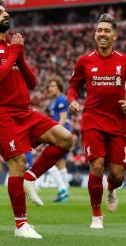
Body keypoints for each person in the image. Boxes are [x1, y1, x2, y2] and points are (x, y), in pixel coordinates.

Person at [0, 0, 73, 239]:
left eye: (6, 11)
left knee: (65, 138)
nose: (5, 14)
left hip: (25, 112)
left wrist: (20, 55)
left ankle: (31, 177)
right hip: (1, 115)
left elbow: (33, 83)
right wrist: (14, 52)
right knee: (16, 162)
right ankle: (21, 225)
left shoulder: (11, 47)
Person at [67, 13, 126, 229]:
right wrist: (72, 100)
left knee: (117, 175)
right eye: (99, 30)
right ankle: (96, 216)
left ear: (114, 36)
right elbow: (73, 86)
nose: (102, 33)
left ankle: (111, 189)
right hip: (92, 120)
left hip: (117, 123)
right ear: (95, 34)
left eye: (106, 30)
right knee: (97, 165)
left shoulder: (125, 61)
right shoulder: (85, 61)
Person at [45, 74, 71, 203]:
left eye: (53, 86)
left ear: (59, 87)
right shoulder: (55, 101)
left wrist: (55, 132)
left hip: (60, 134)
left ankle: (62, 189)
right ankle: (65, 193)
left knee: (48, 162)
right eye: (49, 86)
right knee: (61, 164)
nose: (50, 88)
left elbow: (63, 118)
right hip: (63, 133)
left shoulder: (61, 99)